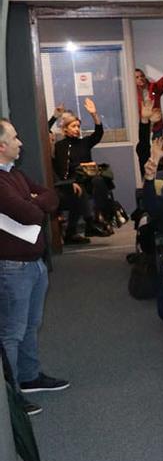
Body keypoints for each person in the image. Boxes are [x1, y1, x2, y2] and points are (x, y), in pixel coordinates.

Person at [0, 117, 69, 415]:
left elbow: (51, 198)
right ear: (1, 145)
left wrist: (34, 200)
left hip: (33, 264)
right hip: (12, 268)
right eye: (14, 138)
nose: (20, 142)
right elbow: (29, 215)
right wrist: (33, 202)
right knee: (12, 333)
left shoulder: (13, 173)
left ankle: (29, 377)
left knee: (31, 325)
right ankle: (11, 393)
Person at [51, 98, 106, 243]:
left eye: (78, 126)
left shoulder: (84, 142)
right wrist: (55, 117)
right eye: (73, 126)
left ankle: (97, 217)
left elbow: (98, 134)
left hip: (86, 179)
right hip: (66, 183)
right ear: (65, 129)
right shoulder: (59, 146)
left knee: (100, 180)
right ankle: (87, 224)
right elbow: (43, 132)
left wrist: (94, 115)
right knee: (77, 190)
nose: (77, 129)